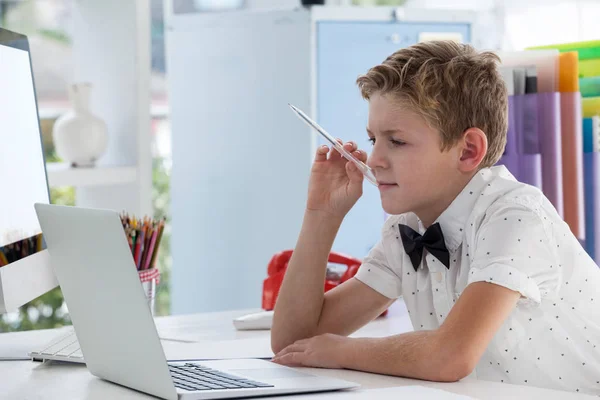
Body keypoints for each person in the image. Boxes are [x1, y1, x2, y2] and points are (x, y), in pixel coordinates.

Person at [270, 40, 600, 396]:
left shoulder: (515, 216)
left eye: (396, 141)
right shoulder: (406, 228)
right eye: (372, 138)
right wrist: (322, 215)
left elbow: (450, 356)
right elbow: (295, 342)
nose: (375, 158)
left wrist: (341, 351)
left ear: (468, 150)